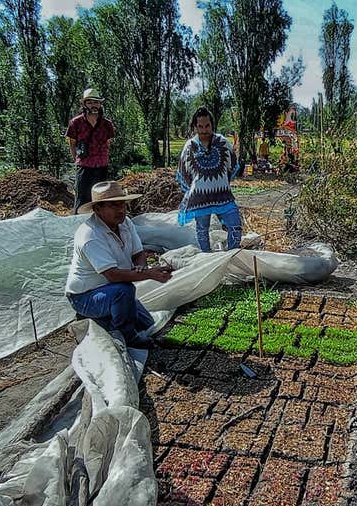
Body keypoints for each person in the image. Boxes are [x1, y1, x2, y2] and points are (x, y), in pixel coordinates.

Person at [65, 181, 173, 349]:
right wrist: (150, 274)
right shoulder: (90, 235)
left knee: (147, 323)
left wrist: (142, 267)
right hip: (85, 296)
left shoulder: (125, 223)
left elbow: (138, 253)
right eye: (113, 206)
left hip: (111, 289)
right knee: (125, 291)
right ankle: (127, 337)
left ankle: (106, 316)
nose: (121, 210)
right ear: (97, 209)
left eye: (122, 204)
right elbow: (113, 275)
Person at [177, 107, 242, 252]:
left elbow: (232, 165)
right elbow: (184, 172)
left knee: (236, 226)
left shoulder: (222, 142)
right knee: (202, 230)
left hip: (222, 195)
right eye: (200, 126)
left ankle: (231, 257)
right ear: (195, 126)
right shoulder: (190, 146)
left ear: (212, 125)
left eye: (207, 126)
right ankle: (207, 259)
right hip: (200, 198)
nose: (204, 130)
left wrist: (221, 183)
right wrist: (195, 189)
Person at [66, 88, 115, 214]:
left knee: (101, 198)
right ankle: (78, 223)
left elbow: (108, 143)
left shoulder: (107, 124)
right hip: (84, 165)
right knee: (82, 197)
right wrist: (77, 160)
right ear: (84, 104)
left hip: (102, 165)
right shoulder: (75, 123)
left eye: (97, 102)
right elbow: (72, 143)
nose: (94, 105)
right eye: (90, 102)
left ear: (100, 105)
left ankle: (101, 225)